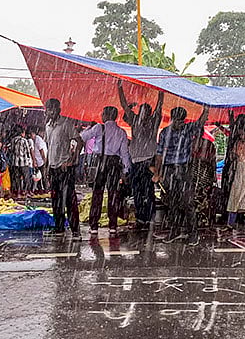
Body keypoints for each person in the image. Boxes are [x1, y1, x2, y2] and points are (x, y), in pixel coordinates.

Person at [155, 105, 210, 245]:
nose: (179, 123)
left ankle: (193, 233)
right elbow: (159, 154)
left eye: (181, 121)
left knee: (187, 202)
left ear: (184, 120)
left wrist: (206, 111)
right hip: (169, 170)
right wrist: (157, 173)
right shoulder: (165, 132)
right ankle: (174, 231)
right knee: (172, 202)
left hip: (184, 169)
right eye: (177, 121)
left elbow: (200, 123)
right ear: (173, 119)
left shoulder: (187, 128)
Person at [118, 82, 164, 229]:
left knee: (148, 191)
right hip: (137, 162)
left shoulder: (153, 122)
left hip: (147, 162)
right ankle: (142, 218)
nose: (144, 113)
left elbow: (159, 107)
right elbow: (125, 106)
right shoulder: (135, 121)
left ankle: (148, 218)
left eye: (146, 111)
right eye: (142, 110)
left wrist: (161, 94)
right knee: (138, 191)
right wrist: (120, 89)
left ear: (149, 113)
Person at [81, 105, 132, 236]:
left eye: (103, 114)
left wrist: (88, 127)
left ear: (107, 115)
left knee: (97, 194)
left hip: (101, 163)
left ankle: (94, 225)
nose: (101, 116)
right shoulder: (121, 132)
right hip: (115, 164)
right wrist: (126, 170)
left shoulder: (99, 127)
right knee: (113, 194)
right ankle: (113, 225)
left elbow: (83, 137)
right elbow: (125, 153)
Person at [44, 99, 81, 236]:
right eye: (48, 109)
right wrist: (47, 166)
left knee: (69, 200)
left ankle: (75, 229)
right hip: (53, 168)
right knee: (56, 199)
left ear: (58, 110)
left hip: (65, 168)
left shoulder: (66, 124)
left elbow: (79, 141)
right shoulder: (48, 126)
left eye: (53, 109)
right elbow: (49, 147)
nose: (51, 112)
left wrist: (72, 160)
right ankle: (59, 228)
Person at [8, 126, 34, 198]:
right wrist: (30, 160)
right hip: (24, 162)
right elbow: (28, 152)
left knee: (17, 178)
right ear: (22, 133)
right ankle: (25, 192)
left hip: (15, 162)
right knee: (26, 178)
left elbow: (12, 150)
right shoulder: (24, 141)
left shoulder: (13, 140)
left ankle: (18, 193)